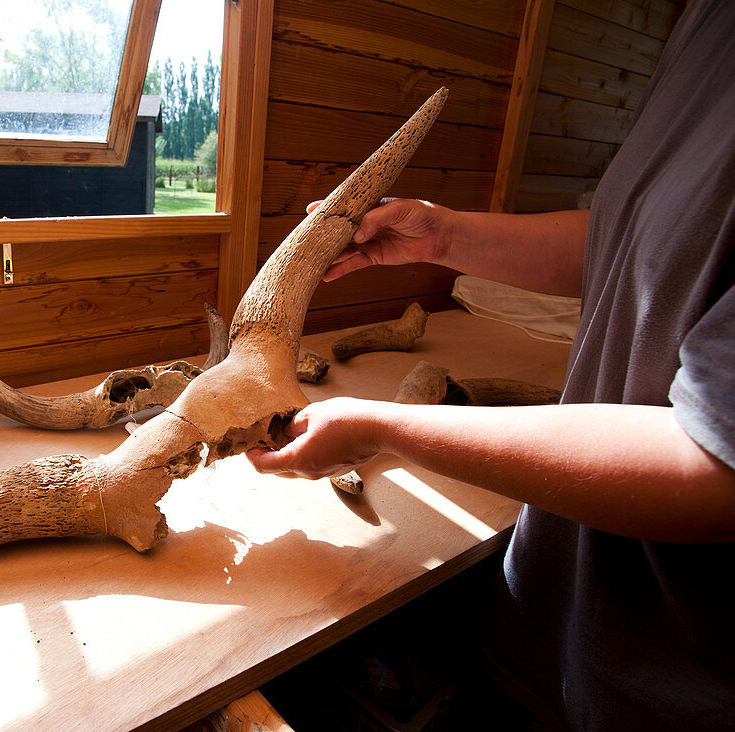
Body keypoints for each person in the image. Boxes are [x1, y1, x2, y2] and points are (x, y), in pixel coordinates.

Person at [247, 1, 735, 728]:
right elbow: (634, 239)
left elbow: (715, 468)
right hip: (560, 608)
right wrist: (442, 234)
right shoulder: (705, 22)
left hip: (674, 671)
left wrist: (387, 428)